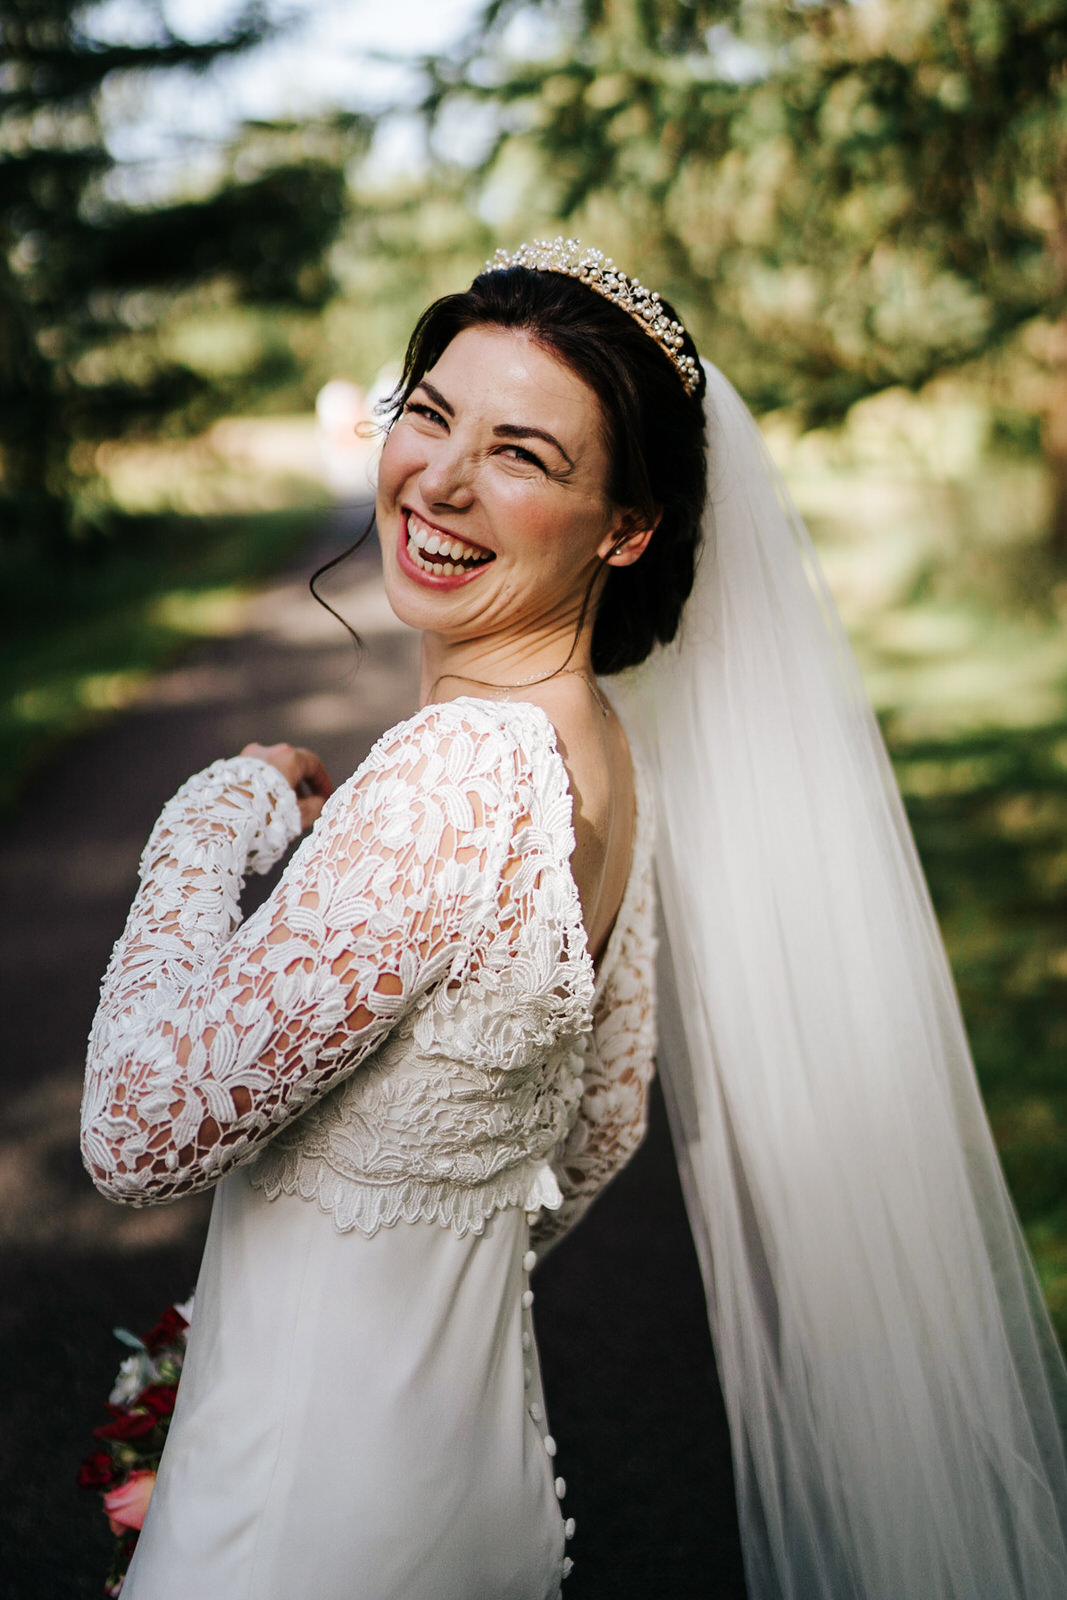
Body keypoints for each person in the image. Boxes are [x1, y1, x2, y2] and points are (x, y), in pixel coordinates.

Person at [81, 241, 1067, 1600]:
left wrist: (216, 813)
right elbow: (600, 1130)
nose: (437, 477)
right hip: (468, 1479)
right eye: (429, 414)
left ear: (626, 527)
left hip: (310, 1518)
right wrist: (384, 1251)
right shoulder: (596, 757)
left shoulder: (458, 774)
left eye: (523, 455)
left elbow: (135, 1133)